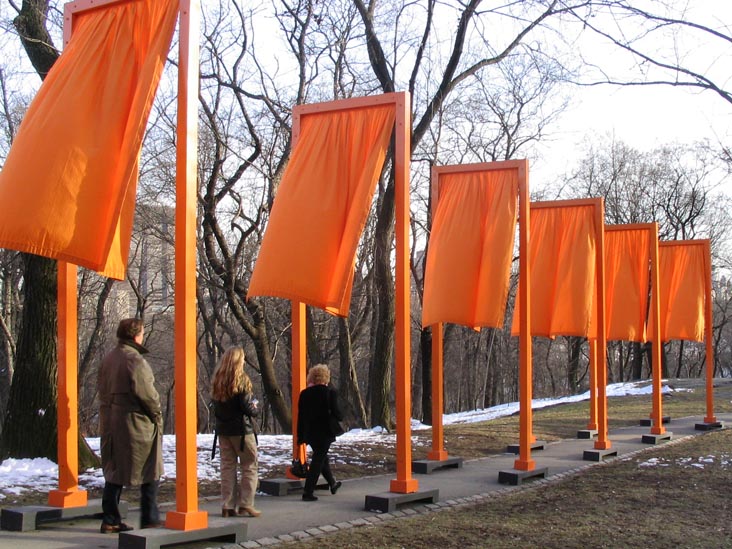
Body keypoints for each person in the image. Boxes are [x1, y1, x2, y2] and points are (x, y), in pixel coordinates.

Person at [97, 318, 164, 534]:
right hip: (136, 422)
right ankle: (150, 517)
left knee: (114, 471)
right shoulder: (134, 360)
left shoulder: (109, 359)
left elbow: (103, 391)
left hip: (112, 421)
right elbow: (147, 393)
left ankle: (110, 518)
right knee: (150, 469)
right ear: (136, 335)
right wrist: (156, 415)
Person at [211, 346, 261, 518]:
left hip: (223, 431)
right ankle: (246, 504)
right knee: (249, 466)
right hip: (242, 431)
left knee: (227, 467)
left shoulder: (217, 380)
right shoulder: (241, 380)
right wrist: (255, 405)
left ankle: (227, 505)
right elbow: (248, 408)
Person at [297, 364, 343, 502]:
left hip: (310, 433)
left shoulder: (304, 394)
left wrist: (300, 436)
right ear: (326, 377)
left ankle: (332, 483)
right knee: (318, 460)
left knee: (322, 458)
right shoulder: (330, 392)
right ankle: (308, 491)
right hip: (325, 432)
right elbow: (338, 415)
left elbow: (301, 416)